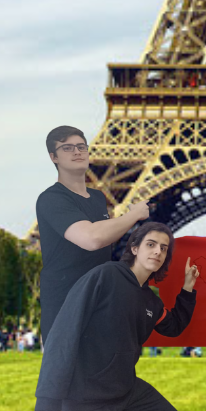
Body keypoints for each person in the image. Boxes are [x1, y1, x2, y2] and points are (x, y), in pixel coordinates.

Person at [34, 221, 200, 411]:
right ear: (135, 248)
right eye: (151, 244)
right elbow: (64, 332)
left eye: (163, 248)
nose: (158, 251)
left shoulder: (151, 301)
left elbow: (173, 326)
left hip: (125, 391)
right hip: (87, 398)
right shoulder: (105, 276)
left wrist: (188, 289)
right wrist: (47, 400)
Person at [37, 125, 151, 345]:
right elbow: (92, 239)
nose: (77, 152)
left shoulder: (99, 199)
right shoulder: (51, 199)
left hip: (98, 307)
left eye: (81, 147)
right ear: (54, 157)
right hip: (66, 309)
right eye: (68, 148)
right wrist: (133, 214)